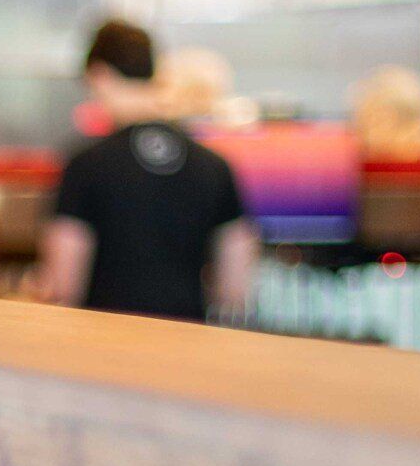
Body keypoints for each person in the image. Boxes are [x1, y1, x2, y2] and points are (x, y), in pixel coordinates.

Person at [39, 20, 258, 323]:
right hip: (187, 347)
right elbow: (235, 290)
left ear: (100, 76)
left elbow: (63, 287)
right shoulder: (214, 166)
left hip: (102, 352)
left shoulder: (86, 165)